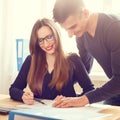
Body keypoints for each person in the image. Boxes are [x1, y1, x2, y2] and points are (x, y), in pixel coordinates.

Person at [9, 18, 94, 105]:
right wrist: (23, 96)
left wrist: (72, 101)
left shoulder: (73, 60)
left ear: (56, 34)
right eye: (41, 40)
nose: (46, 44)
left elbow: (90, 90)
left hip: (66, 114)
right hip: (39, 114)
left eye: (49, 37)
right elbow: (14, 89)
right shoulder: (31, 60)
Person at [52, 0, 120, 107]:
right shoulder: (81, 35)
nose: (70, 35)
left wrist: (84, 99)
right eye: (67, 30)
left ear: (85, 13)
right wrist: (61, 88)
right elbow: (84, 69)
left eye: (73, 27)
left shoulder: (114, 28)